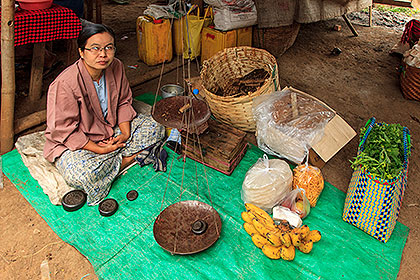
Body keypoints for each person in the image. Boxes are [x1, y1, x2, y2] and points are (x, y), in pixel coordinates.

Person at [43, 22, 165, 205]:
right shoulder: (65, 84)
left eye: (109, 47)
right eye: (95, 48)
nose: (103, 54)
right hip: (78, 142)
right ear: (82, 52)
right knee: (82, 174)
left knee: (156, 127)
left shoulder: (116, 66)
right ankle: (127, 160)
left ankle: (110, 164)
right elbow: (64, 130)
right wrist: (99, 148)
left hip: (110, 130)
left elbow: (124, 101)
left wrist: (125, 133)